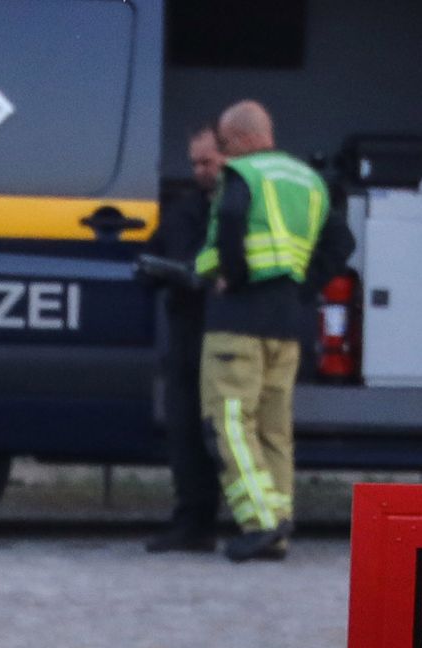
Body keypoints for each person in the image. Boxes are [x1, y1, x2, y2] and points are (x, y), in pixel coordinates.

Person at [197, 99, 355, 562]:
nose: (223, 156)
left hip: (238, 320)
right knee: (273, 429)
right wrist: (305, 289)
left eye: (225, 145)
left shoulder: (244, 175)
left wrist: (233, 274)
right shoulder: (309, 181)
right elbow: (342, 242)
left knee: (229, 423)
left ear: (245, 139)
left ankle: (262, 523)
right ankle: (279, 528)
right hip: (289, 322)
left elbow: (228, 220)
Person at [143, 124, 226, 554]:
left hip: (226, 335)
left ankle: (229, 522)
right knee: (184, 434)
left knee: (224, 436)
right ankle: (192, 522)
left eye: (207, 162)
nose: (199, 171)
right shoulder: (184, 209)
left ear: (227, 156)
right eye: (194, 163)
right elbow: (152, 256)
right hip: (185, 338)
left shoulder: (236, 208)